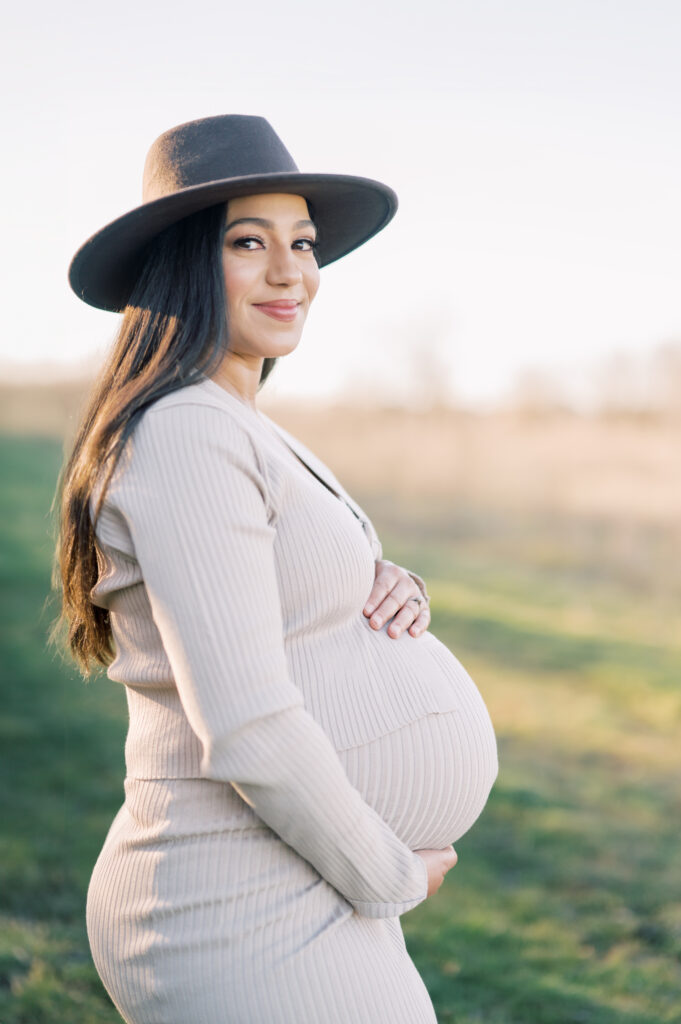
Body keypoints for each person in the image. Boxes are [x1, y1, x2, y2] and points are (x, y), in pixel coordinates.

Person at [52, 114, 498, 1024]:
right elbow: (246, 721)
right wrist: (387, 875)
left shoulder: (236, 422)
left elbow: (280, 585)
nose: (291, 271)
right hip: (234, 897)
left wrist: (381, 582)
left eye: (303, 242)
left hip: (291, 871)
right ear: (182, 264)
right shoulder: (185, 431)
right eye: (248, 243)